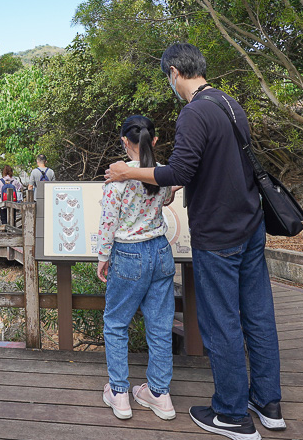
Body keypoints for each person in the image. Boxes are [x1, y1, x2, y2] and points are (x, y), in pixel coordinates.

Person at [105, 43, 284, 440]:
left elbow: (179, 171)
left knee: (220, 321)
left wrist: (126, 173)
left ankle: (232, 414)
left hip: (219, 234)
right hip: (250, 223)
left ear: (173, 72)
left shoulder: (194, 113)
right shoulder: (229, 103)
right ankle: (268, 403)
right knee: (257, 314)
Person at [97, 115, 176, 422]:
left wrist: (103, 256)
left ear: (123, 142)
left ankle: (119, 394)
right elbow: (167, 197)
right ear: (153, 142)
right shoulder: (159, 174)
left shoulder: (117, 178)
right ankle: (159, 395)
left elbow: (108, 222)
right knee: (159, 325)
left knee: (116, 323)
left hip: (128, 254)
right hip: (160, 251)